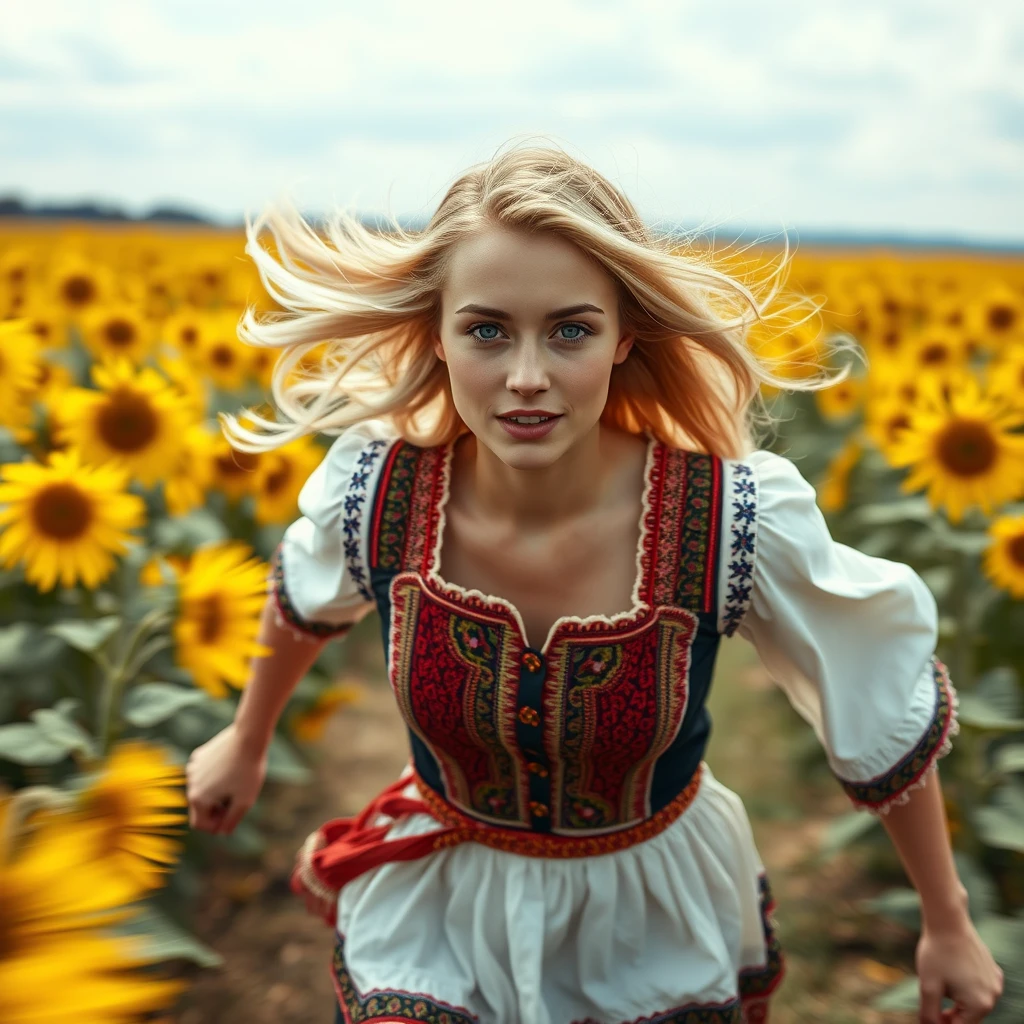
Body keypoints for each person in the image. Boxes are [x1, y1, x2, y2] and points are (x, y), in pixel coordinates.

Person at [185, 141, 1004, 1024]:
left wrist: (946, 920)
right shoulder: (378, 495)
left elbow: (872, 706)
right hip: (445, 903)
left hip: (648, 914)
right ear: (438, 334)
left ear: (624, 339)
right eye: (487, 330)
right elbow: (303, 598)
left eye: (570, 330)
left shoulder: (730, 519)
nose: (527, 377)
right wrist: (248, 737)